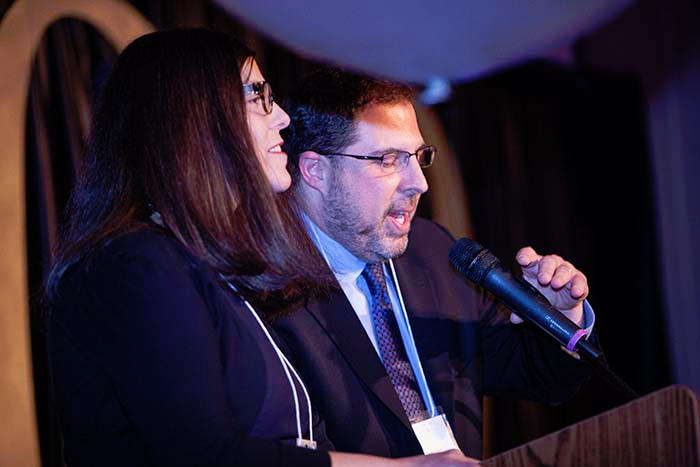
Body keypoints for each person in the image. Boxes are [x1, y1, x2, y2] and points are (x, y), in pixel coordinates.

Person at [45, 30, 476, 466]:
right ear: (195, 114)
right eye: (259, 97)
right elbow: (208, 455)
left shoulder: (207, 265)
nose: (283, 118)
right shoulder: (137, 265)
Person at [272, 67, 596, 459]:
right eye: (388, 159)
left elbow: (539, 376)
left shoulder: (432, 249)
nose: (420, 183)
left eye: (418, 156)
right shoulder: (266, 288)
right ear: (315, 171)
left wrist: (562, 319)